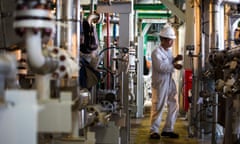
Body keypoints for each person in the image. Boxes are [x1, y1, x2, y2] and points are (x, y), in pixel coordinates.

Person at [149, 25, 183, 139]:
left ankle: (168, 129)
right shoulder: (156, 52)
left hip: (169, 80)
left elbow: (168, 61)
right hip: (160, 82)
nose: (171, 42)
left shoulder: (168, 51)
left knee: (174, 104)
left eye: (172, 40)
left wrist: (175, 59)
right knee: (158, 105)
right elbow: (161, 67)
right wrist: (174, 65)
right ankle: (154, 130)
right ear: (162, 40)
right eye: (169, 40)